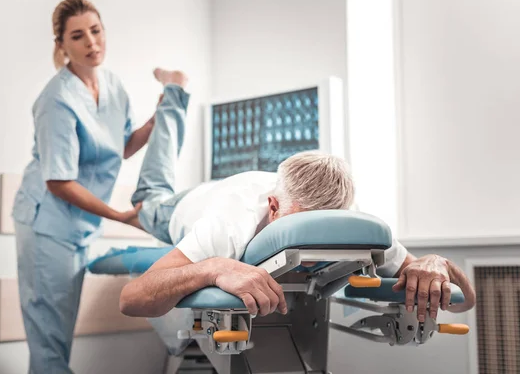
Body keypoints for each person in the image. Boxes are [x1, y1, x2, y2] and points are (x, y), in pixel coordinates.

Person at [120, 69, 476, 326]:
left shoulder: (354, 229)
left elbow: (464, 304)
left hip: (230, 189)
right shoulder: (228, 225)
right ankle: (174, 93)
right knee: (149, 197)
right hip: (179, 208)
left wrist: (435, 262)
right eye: (300, 225)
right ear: (273, 208)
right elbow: (131, 299)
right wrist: (214, 267)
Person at [11, 0, 156, 374]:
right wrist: (121, 216)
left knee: (59, 334)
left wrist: (160, 117)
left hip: (78, 226)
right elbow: (59, 182)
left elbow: (121, 148)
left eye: (96, 30)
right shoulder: (56, 99)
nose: (91, 42)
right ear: (62, 45)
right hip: (47, 223)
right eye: (78, 36)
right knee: (49, 338)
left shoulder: (112, 85)